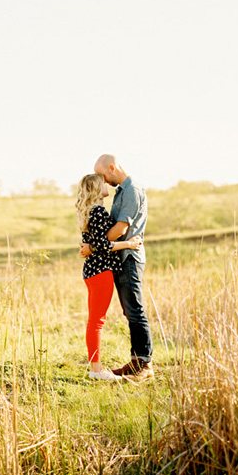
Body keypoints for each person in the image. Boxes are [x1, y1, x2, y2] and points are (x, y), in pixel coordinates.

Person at [80, 154, 154, 381]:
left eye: (102, 175)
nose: (101, 181)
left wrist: (93, 247)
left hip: (129, 256)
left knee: (135, 310)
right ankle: (135, 362)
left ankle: (144, 364)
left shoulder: (132, 190)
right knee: (129, 311)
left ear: (112, 168)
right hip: (117, 257)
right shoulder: (121, 191)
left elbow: (120, 228)